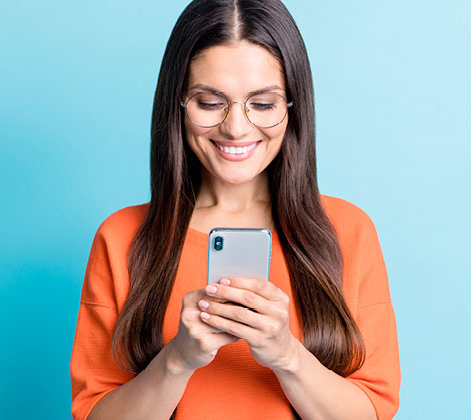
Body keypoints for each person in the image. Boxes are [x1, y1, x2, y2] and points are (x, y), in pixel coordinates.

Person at [70, 0, 400, 419]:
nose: (236, 128)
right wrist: (178, 358)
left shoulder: (348, 231)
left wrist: (286, 354)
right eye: (210, 102)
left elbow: (371, 412)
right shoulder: (122, 238)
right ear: (178, 104)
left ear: (292, 108)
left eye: (262, 104)